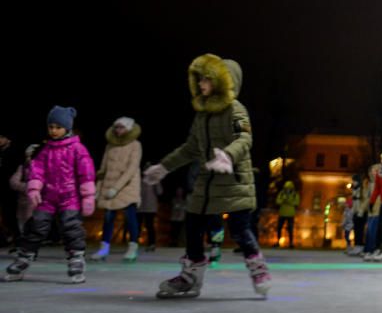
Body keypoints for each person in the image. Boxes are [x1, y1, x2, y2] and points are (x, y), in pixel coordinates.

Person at [142, 53, 270, 298]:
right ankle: (191, 277)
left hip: (234, 181)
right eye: (199, 80)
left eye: (206, 80)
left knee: (240, 229)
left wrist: (228, 156)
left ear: (222, 82)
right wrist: (164, 167)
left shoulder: (236, 109)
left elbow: (245, 138)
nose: (201, 84)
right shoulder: (201, 115)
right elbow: (190, 148)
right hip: (206, 182)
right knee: (193, 225)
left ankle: (258, 269)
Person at [5, 106, 96, 283]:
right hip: (48, 197)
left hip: (70, 198)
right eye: (51, 127)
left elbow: (86, 172)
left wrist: (88, 196)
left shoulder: (78, 149)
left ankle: (76, 259)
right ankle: (24, 258)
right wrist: (34, 188)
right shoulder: (46, 150)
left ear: (67, 128)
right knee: (36, 226)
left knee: (71, 228)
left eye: (58, 127)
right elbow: (37, 170)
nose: (53, 131)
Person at [91, 117, 143, 262]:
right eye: (116, 127)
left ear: (129, 129)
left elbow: (131, 169)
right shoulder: (110, 145)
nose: (118, 130)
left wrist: (116, 188)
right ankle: (104, 248)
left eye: (122, 127)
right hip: (109, 187)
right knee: (108, 217)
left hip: (127, 186)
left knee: (130, 217)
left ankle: (132, 248)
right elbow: (103, 168)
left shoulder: (135, 145)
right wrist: (98, 188)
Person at [8, 144, 41, 240]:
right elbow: (13, 182)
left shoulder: (45, 168)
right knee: (24, 223)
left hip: (41, 203)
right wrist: (28, 187)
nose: (30, 158)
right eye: (28, 156)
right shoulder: (23, 168)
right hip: (24, 202)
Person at [138, 161, 162, 252]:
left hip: (150, 207)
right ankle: (134, 243)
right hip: (140, 207)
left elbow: (160, 192)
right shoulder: (140, 180)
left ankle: (151, 244)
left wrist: (157, 181)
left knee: (149, 225)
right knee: (137, 225)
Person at [275, 180, 300, 249]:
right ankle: (278, 242)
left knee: (290, 229)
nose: (288, 189)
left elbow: (296, 202)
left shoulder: (295, 194)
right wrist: (285, 200)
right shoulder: (282, 193)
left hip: (290, 214)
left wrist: (287, 201)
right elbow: (277, 201)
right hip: (282, 213)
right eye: (286, 188)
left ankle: (291, 243)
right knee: (279, 228)